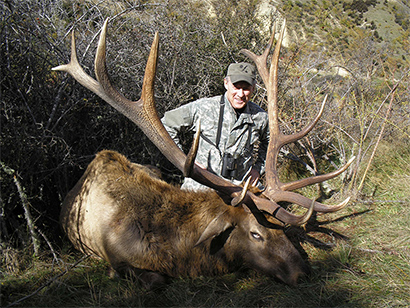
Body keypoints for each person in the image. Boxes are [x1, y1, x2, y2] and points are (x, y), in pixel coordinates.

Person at [162, 62, 269, 191]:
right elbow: (166, 124)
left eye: (246, 88)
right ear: (226, 83)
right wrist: (183, 161)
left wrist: (258, 169)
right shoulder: (203, 107)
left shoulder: (261, 117)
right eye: (236, 87)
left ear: (253, 88)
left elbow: (270, 143)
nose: (240, 94)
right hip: (200, 187)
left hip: (239, 189)